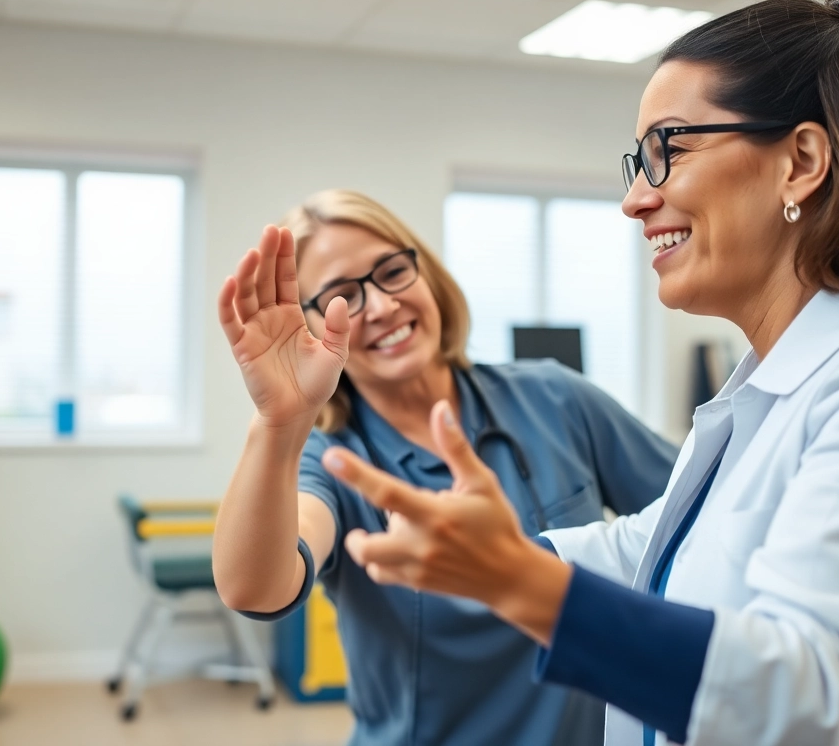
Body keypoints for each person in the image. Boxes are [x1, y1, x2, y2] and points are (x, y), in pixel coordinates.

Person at [321, 0, 839, 745]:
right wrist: (503, 550)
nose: (635, 199)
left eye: (666, 150)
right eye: (638, 161)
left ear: (800, 160)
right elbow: (658, 550)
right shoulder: (768, 385)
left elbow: (811, 701)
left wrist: (522, 583)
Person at [212, 189, 677, 745]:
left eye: (391, 272)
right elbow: (253, 589)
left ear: (425, 272)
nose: (382, 306)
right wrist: (278, 424)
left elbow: (699, 516)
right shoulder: (334, 459)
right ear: (311, 328)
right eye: (343, 297)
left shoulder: (555, 398)